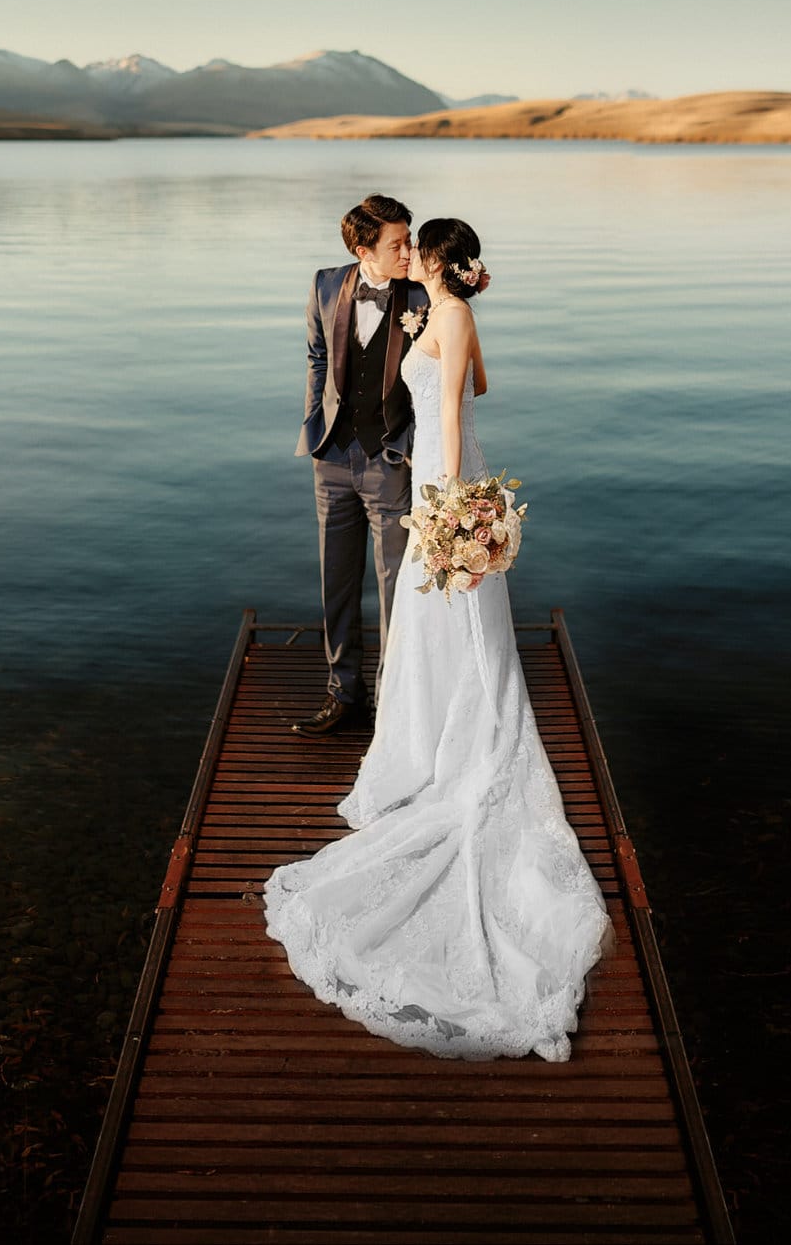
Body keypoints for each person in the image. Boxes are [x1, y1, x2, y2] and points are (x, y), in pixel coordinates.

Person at [264, 219, 612, 1062]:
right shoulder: (447, 316)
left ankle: (442, 740)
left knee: (444, 608)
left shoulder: (443, 315)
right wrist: (429, 347)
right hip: (441, 469)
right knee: (442, 621)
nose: (410, 256)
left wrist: (450, 506)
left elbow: (453, 408)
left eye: (420, 250)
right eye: (405, 247)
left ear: (438, 261)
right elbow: (479, 386)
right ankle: (431, 722)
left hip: (441, 479)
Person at [293, 195, 428, 736]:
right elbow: (317, 358)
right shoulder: (327, 282)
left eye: (409, 241)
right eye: (397, 244)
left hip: (389, 458)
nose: (407, 252)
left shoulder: (421, 294)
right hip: (331, 455)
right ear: (361, 248)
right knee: (338, 582)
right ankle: (343, 693)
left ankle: (393, 703)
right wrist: (314, 424)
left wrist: (411, 442)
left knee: (396, 587)